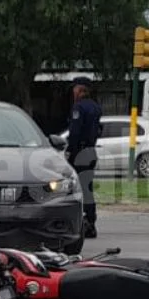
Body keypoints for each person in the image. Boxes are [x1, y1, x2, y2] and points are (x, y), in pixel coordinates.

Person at [66, 76, 103, 238]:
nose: (73, 92)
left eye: (75, 88)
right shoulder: (95, 107)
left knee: (73, 189)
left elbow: (74, 133)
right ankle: (91, 221)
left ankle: (78, 223)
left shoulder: (78, 108)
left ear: (80, 90)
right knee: (87, 189)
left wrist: (70, 151)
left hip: (79, 153)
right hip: (91, 151)